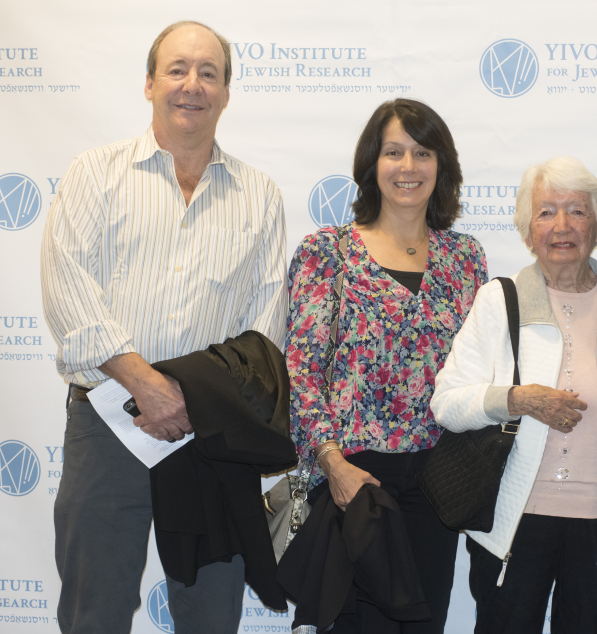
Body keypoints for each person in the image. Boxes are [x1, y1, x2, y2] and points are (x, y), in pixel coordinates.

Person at [39, 21, 287, 634]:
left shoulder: (260, 197)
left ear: (226, 92)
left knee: (211, 617)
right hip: (106, 421)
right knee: (93, 613)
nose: (192, 85)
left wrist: (193, 400)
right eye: (177, 69)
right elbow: (68, 290)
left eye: (209, 73)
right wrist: (145, 385)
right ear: (150, 83)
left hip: (210, 438)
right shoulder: (95, 174)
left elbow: (264, 330)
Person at [430, 156, 597, 634]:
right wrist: (516, 399)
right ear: (528, 231)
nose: (562, 225)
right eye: (546, 212)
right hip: (512, 522)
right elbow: (447, 402)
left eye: (577, 211)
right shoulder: (498, 301)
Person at [286, 98, 488, 633]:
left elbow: (478, 370)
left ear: (441, 166)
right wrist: (332, 464)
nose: (408, 166)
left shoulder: (465, 258)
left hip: (438, 483)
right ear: (371, 164)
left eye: (423, 153)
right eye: (394, 152)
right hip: (355, 479)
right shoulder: (327, 252)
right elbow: (302, 372)